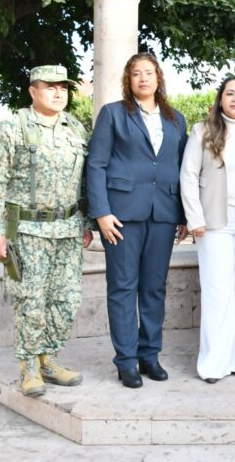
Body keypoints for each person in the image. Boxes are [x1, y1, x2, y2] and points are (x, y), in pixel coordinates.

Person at [0, 64, 93, 397]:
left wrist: (86, 222)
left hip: (68, 229)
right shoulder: (12, 128)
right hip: (27, 230)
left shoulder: (76, 129)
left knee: (66, 301)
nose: (58, 93)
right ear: (32, 91)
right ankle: (28, 365)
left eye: (63, 87)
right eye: (50, 87)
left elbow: (84, 181)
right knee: (31, 301)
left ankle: (48, 359)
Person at [87, 52, 188, 389]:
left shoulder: (176, 120)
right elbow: (96, 164)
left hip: (163, 215)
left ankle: (149, 355)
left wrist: (184, 215)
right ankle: (126, 360)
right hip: (121, 216)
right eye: (136, 73)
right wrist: (101, 213)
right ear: (128, 80)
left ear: (159, 78)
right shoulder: (113, 114)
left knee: (154, 287)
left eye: (149, 72)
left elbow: (182, 169)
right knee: (122, 287)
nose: (143, 78)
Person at [180, 76, 235, 383]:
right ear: (220, 99)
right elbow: (188, 175)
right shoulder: (202, 131)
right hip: (213, 222)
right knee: (217, 292)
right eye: (229, 93)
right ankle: (213, 362)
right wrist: (195, 218)